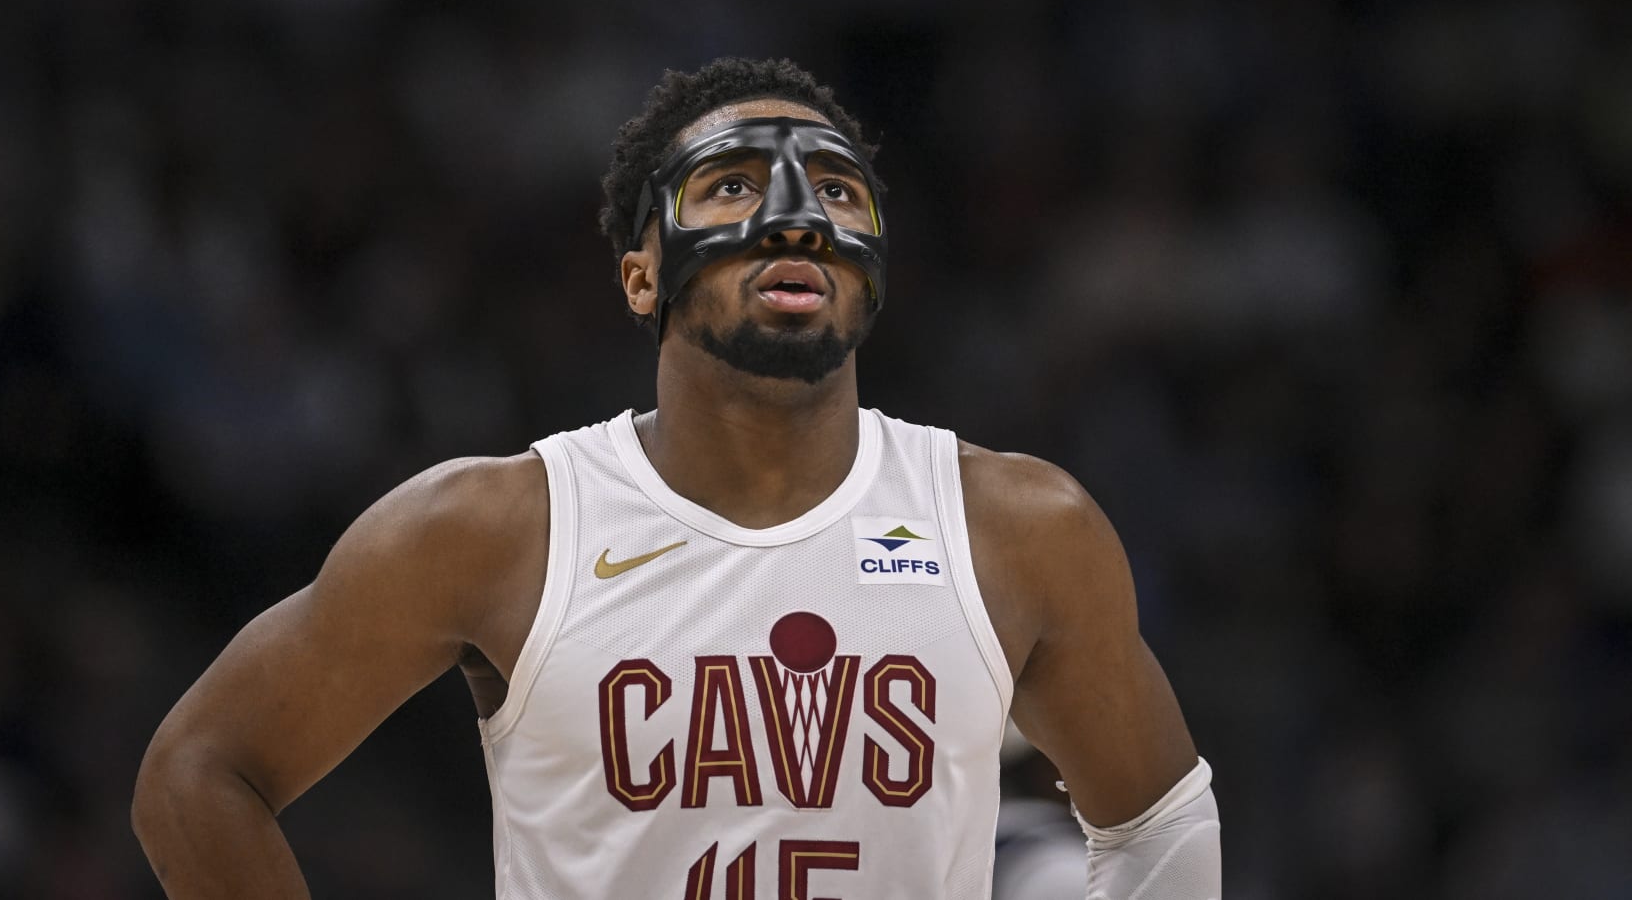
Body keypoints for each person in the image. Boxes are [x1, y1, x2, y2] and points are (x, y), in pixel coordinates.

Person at [132, 56, 1221, 898]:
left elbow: (1159, 820)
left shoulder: (1020, 525)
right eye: (733, 184)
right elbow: (200, 769)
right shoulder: (496, 526)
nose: (796, 214)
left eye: (837, 190)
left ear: (873, 269)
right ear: (642, 271)